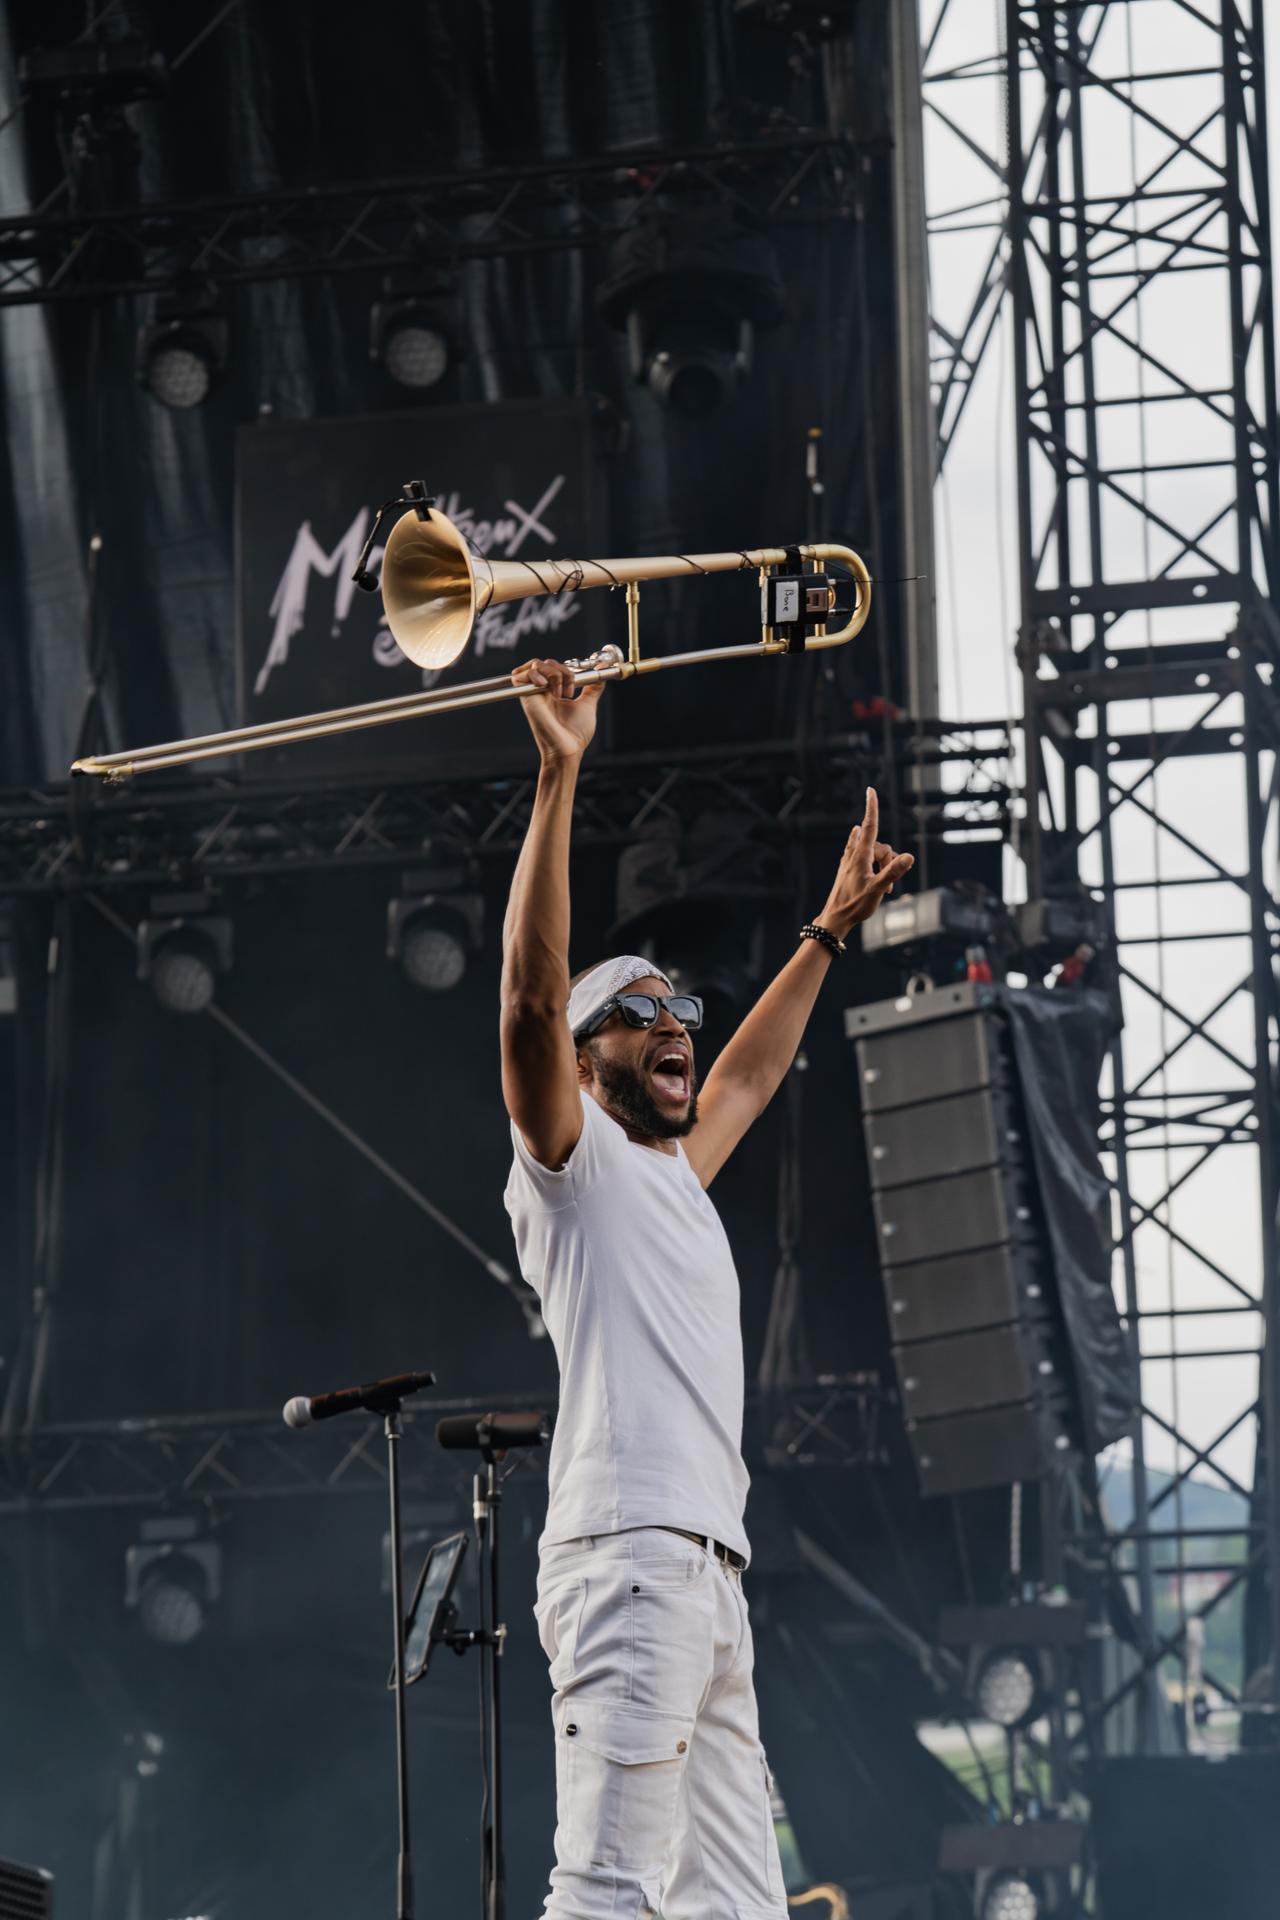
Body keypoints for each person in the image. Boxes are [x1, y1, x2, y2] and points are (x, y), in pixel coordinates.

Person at [501, 655, 913, 1920]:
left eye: (678, 1001)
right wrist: (559, 774)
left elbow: (746, 1076)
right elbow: (527, 989)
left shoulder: (672, 1173)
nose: (673, 1017)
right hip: (628, 1560)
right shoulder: (573, 1163)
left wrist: (826, 932)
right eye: (636, 1009)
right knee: (608, 1894)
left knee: (731, 1912)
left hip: (704, 1578)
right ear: (582, 1058)